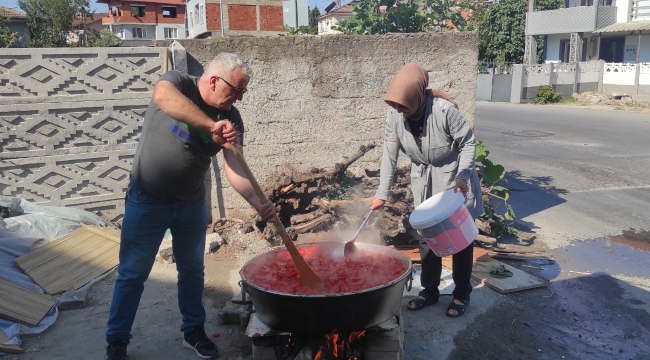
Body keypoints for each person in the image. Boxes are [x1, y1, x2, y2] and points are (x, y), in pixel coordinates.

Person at [105, 53, 278, 360]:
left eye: (243, 92)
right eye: (236, 90)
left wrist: (259, 204)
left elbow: (236, 170)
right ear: (214, 80)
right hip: (147, 200)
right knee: (132, 273)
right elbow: (163, 97)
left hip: (190, 204)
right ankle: (117, 340)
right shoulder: (178, 84)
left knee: (192, 271)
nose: (239, 98)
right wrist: (211, 127)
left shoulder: (233, 119)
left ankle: (193, 330)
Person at [370, 63, 483, 318]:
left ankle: (461, 293)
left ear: (418, 96)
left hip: (454, 181)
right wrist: (382, 193)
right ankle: (429, 291)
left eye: (403, 105)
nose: (399, 110)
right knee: (427, 237)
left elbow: (467, 143)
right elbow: (389, 155)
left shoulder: (444, 111)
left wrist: (463, 175)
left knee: (460, 239)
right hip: (424, 180)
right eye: (395, 105)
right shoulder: (394, 115)